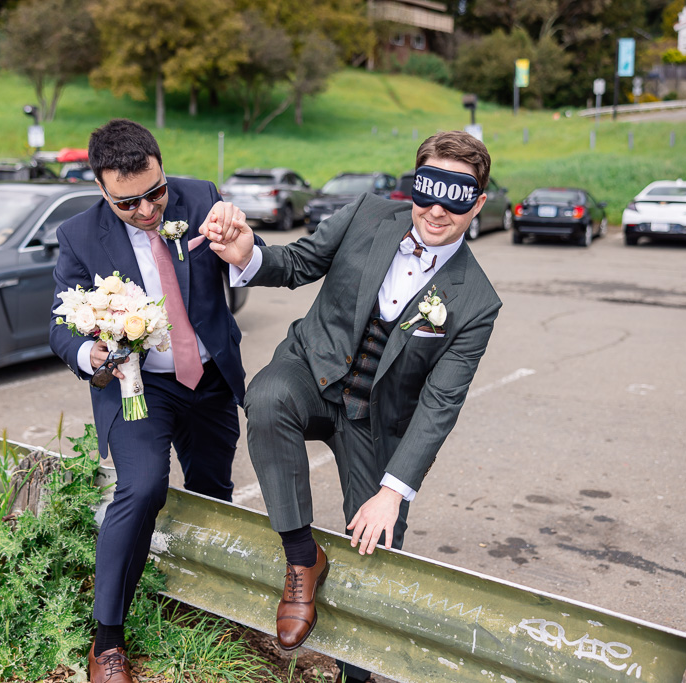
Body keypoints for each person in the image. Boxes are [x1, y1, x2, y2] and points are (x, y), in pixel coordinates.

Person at [200, 130, 502, 682]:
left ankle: (354, 675)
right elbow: (297, 263)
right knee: (266, 398)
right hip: (311, 371)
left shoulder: (477, 301)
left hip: (376, 419)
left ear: (477, 203)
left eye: (455, 198)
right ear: (413, 185)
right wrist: (247, 255)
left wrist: (393, 493)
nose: (436, 210)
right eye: (427, 190)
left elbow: (440, 404)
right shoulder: (365, 213)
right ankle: (301, 558)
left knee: (375, 547)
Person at [49, 119, 258, 683]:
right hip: (137, 385)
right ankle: (107, 638)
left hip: (209, 378)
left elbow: (246, 260)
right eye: (128, 203)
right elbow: (60, 325)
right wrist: (91, 354)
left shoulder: (203, 197)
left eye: (156, 193)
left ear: (163, 169)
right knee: (142, 486)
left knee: (215, 489)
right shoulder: (78, 236)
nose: (147, 210)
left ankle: (209, 604)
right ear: (100, 188)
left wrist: (242, 239)